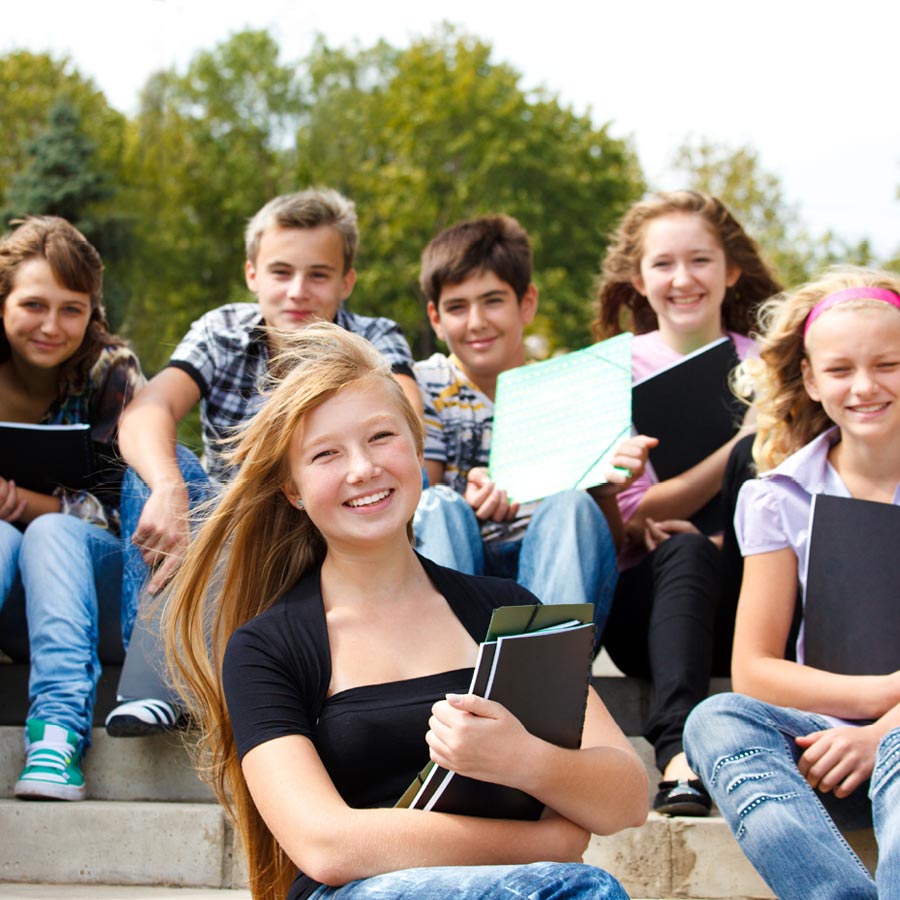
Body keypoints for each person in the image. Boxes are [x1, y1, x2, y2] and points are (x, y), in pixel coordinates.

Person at [162, 321, 648, 900]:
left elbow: (627, 796)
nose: (362, 469)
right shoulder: (265, 648)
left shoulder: (509, 611)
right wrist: (548, 846)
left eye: (380, 437)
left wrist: (525, 760)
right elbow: (327, 846)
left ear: (417, 451)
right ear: (292, 490)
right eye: (325, 454)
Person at [106, 188, 419, 736]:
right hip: (211, 531)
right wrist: (167, 486)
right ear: (252, 273)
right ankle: (160, 672)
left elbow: (405, 432)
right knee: (162, 463)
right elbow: (146, 411)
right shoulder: (223, 330)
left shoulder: (374, 338)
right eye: (280, 271)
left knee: (267, 502)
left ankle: (172, 681)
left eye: (318, 275)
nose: (297, 291)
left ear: (346, 281)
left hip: (315, 523)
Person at [684, 269, 900, 899]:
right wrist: (883, 696)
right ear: (809, 379)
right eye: (839, 370)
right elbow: (753, 670)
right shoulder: (776, 498)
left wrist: (884, 734)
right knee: (715, 718)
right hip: (820, 744)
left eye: (887, 363)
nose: (864, 387)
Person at [592, 190, 782, 815]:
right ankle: (678, 756)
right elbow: (632, 517)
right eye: (663, 264)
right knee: (683, 549)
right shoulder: (606, 372)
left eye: (699, 261)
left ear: (729, 271)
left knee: (700, 546)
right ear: (639, 280)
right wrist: (740, 443)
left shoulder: (777, 369)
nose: (682, 279)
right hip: (649, 606)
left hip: (753, 592)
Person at [413, 214, 652, 639]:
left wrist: (603, 487)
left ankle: (540, 673)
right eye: (457, 307)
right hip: (460, 575)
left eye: (492, 301)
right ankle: (445, 665)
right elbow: (415, 514)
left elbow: (611, 545)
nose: (476, 322)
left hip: (554, 583)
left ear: (527, 302)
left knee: (571, 506)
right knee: (440, 504)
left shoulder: (576, 389)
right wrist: (470, 506)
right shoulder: (423, 385)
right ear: (435, 317)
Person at [0, 216, 144, 800]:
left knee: (49, 533)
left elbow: (132, 508)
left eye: (72, 309)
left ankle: (57, 734)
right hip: (13, 595)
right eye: (34, 304)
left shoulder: (112, 371)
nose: (52, 326)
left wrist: (24, 503)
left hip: (97, 585)